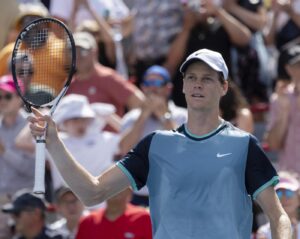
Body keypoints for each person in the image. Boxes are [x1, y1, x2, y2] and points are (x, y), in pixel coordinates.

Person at [27, 48, 292, 238]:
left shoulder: (244, 145)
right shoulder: (155, 145)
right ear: (184, 86)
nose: (198, 84)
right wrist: (53, 141)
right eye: (192, 78)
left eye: (207, 78)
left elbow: (277, 215)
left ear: (224, 88)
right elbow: (91, 193)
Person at [120, 65, 187, 206]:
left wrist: (164, 116)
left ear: (168, 88)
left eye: (157, 83)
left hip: (173, 195)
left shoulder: (183, 116)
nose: (152, 88)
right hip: (139, 196)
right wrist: (143, 116)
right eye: (148, 84)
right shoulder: (131, 118)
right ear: (143, 88)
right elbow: (124, 149)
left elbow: (184, 148)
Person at [67, 31, 144, 117]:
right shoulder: (69, 85)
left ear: (94, 52)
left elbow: (139, 103)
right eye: (72, 51)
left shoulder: (108, 78)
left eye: (83, 51)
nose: (77, 56)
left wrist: (126, 127)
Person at [0, 75, 35, 239]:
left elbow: (32, 170)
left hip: (25, 206)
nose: (2, 100)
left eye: (7, 96)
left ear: (20, 98)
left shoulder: (31, 127)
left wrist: (4, 152)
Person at [264, 43, 300, 175]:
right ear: (288, 69)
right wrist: (284, 111)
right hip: (289, 178)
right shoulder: (278, 98)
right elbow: (273, 145)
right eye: (297, 66)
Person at [75, 188, 152, 239]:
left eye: (120, 185)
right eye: (110, 186)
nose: (115, 189)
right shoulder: (88, 221)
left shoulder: (144, 218)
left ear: (130, 192)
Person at [256, 170, 300, 239]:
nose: (284, 198)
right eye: (278, 193)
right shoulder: (263, 232)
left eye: (289, 193)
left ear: (298, 198)